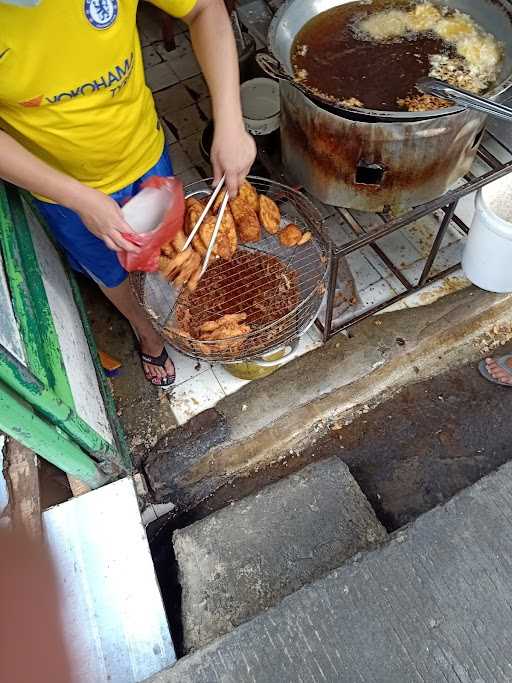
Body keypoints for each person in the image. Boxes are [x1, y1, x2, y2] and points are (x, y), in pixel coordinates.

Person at [0, 0, 256, 387]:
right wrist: (77, 197)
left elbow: (204, 8)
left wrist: (231, 122)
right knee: (108, 267)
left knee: (163, 251)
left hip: (144, 151)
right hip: (59, 186)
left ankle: (174, 310)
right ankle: (146, 331)